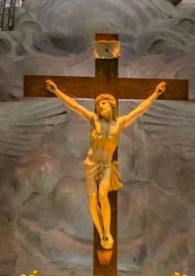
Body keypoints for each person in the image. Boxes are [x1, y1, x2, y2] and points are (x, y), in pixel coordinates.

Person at [46, 79, 168, 249]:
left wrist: (156, 93)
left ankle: (106, 232)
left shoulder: (120, 122)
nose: (101, 108)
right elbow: (74, 106)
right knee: (93, 197)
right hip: (90, 164)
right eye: (99, 105)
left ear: (112, 107)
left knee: (103, 195)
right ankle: (101, 231)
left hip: (107, 165)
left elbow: (141, 109)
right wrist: (56, 91)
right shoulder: (93, 120)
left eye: (104, 105)